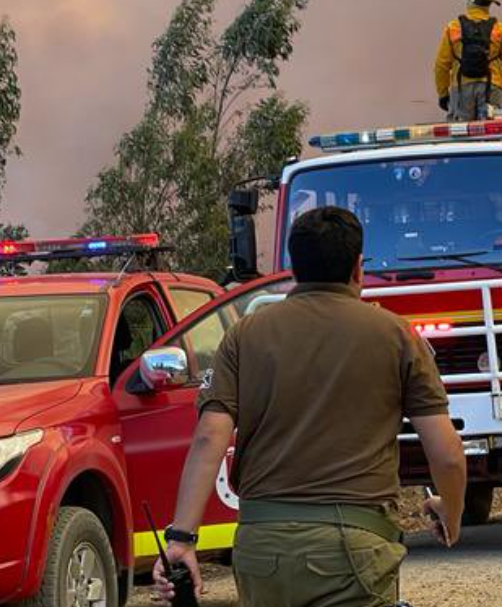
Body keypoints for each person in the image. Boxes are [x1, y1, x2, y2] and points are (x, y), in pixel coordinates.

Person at [155, 207, 468, 607]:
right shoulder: (396, 335)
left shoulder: (244, 334)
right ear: (358, 268)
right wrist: (452, 512)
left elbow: (208, 439)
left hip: (262, 550)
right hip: (352, 549)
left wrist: (182, 539)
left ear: (293, 267)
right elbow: (447, 457)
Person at [435, 0, 502, 121]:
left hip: (461, 87)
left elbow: (441, 65)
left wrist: (443, 93)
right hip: (492, 87)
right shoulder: (500, 29)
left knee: (460, 133)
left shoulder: (453, 28)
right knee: (494, 133)